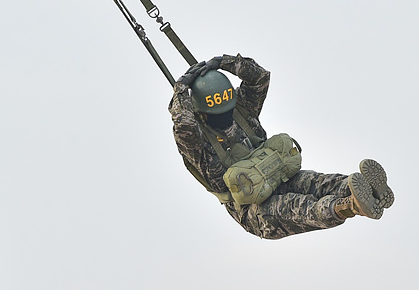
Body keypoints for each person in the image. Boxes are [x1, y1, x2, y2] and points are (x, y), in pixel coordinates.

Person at [168, 53, 394, 239]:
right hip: (254, 211)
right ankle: (352, 205)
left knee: (320, 182)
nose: (225, 116)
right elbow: (183, 123)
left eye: (227, 109)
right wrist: (180, 90)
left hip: (277, 178)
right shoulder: (198, 144)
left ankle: (369, 191)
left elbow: (259, 78)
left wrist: (224, 62)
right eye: (218, 114)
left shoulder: (242, 110)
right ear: (202, 115)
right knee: (302, 206)